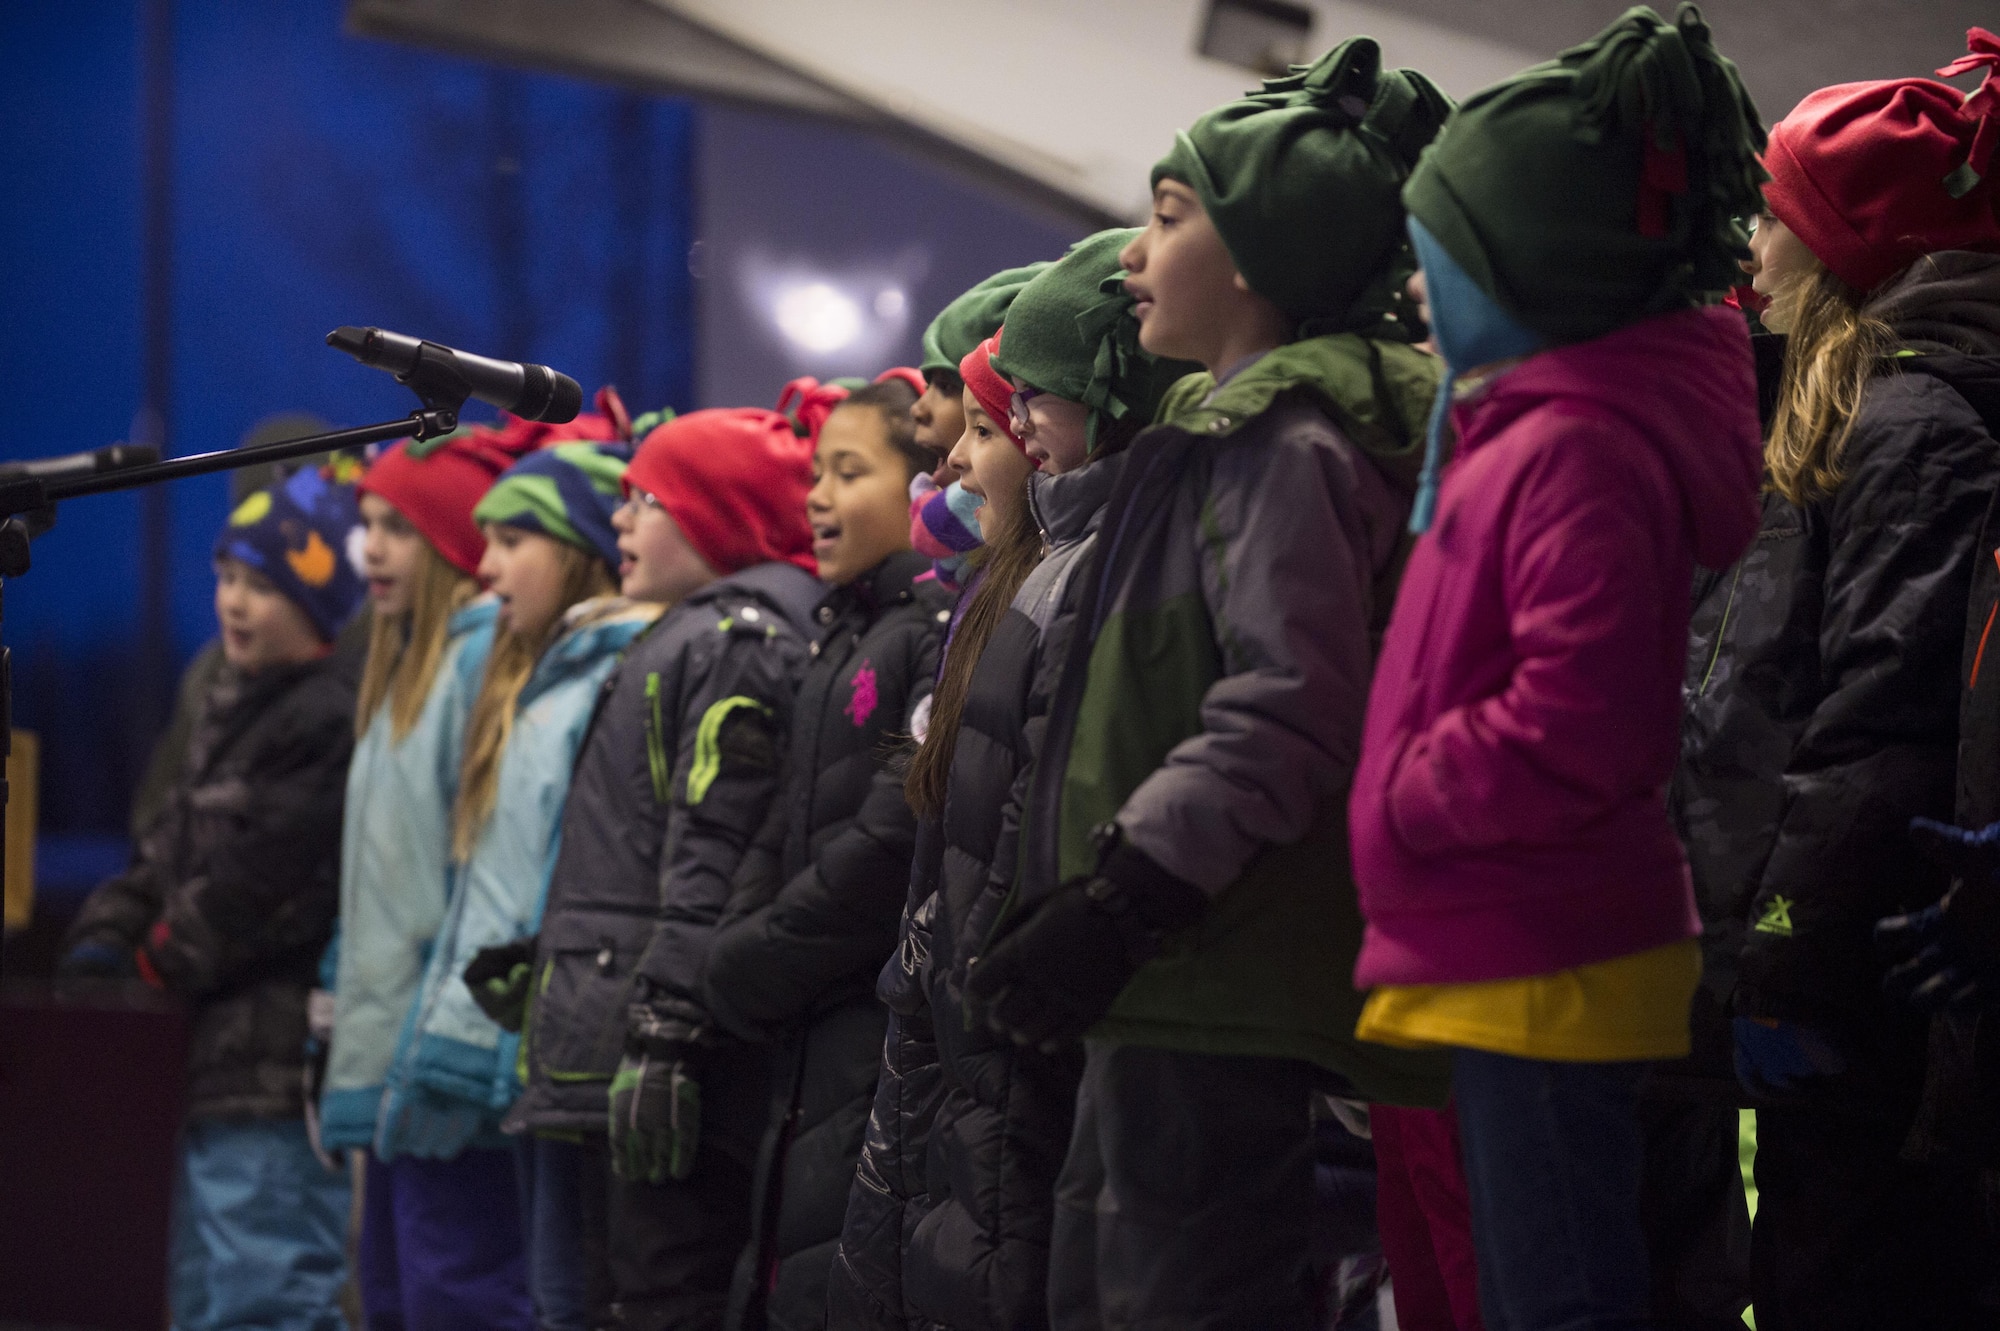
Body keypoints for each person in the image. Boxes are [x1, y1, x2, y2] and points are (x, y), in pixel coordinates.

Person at [961, 38, 1454, 1329]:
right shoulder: (1230, 435)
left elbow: (1288, 703)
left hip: (1213, 965)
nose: (1131, 251)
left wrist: (1124, 895)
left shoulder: (1283, 445)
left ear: (1259, 259)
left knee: (1179, 1295)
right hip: (1178, 970)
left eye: (1166, 217)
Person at [1344, 9, 1770, 1330]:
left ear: (1526, 271)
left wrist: (1408, 792)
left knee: (1560, 1292)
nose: (1416, 292)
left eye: (1438, 259)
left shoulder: (1575, 447)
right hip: (1511, 940)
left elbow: (1581, 718)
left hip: (1540, 948)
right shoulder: (1527, 432)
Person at [1671, 25, 2000, 1328]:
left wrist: (1785, 971)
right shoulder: (1850, 413)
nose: (1754, 243)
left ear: (1851, 237)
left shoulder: (1908, 428)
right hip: (1816, 956)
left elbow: (1876, 729)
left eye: (1777, 211)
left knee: (1840, 1273)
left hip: (1847, 984)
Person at [831, 231, 1193, 1329]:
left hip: (1005, 1036)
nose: (951, 457)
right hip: (959, 1032)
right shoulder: (1024, 584)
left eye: (989, 417)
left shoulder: (1080, 579)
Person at [500, 402, 826, 1330]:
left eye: (647, 499)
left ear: (717, 516)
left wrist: (663, 1035)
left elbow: (707, 862)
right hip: (617, 1022)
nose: (620, 520)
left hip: (660, 1043)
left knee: (656, 1293)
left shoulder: (735, 647)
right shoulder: (687, 636)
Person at [60, 463, 368, 1331]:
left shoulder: (324, 720)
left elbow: (257, 882)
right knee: (201, 1294)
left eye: (263, 585)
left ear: (318, 604)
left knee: (265, 1294)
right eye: (227, 577)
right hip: (200, 1064)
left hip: (271, 1071)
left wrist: (151, 964)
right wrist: (102, 935)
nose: (235, 601)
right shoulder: (226, 702)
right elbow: (163, 848)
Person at [385, 440, 658, 1331]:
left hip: (538, 1047)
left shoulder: (603, 681)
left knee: (534, 1294)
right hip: (488, 1037)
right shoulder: (538, 677)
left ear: (577, 547)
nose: (487, 562)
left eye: (512, 539)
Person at [701, 377, 946, 1331]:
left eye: (850, 471)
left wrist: (751, 961)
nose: (818, 495)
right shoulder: (838, 640)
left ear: (923, 485)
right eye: (815, 473)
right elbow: (779, 828)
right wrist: (734, 954)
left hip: (864, 1022)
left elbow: (887, 841)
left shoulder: (928, 635)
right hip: (802, 1038)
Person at [316, 424, 533, 1328]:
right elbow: (381, 872)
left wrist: (448, 1036)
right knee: (399, 1298)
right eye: (367, 523)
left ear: (451, 542)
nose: (372, 547)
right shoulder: (398, 672)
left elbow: (485, 876)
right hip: (389, 1050)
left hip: (445, 1057)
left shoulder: (479, 664)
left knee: (460, 1294)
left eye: (398, 527)